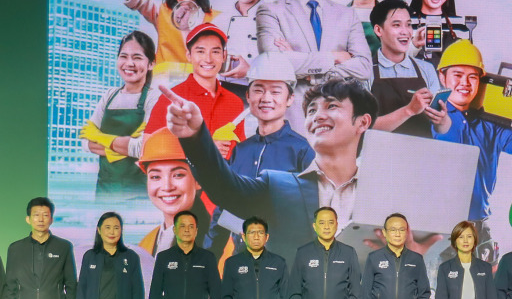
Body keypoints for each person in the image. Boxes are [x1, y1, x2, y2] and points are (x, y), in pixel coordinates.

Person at [170, 76, 376, 256]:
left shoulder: (378, 193)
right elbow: (226, 190)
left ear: (362, 122)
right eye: (312, 110)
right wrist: (195, 137)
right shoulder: (278, 186)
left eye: (332, 106)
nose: (317, 116)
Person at [426, 37, 512, 232]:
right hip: (440, 226)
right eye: (457, 75)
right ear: (442, 76)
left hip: (480, 225)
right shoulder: (432, 115)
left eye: (472, 77)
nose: (465, 83)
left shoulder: (490, 125)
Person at [143, 23, 245, 155]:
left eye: (215, 51)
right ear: (189, 55)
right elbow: (147, 148)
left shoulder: (235, 103)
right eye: (200, 51)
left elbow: (242, 154)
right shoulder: (170, 100)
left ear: (224, 56)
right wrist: (202, 148)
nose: (208, 59)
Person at [78, 30, 157, 199]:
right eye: (123, 56)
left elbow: (143, 148)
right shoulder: (109, 95)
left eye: (137, 57)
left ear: (151, 63)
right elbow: (85, 141)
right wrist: (127, 145)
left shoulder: (154, 98)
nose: (129, 63)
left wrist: (99, 137)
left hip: (139, 194)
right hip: (104, 191)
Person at [227, 53, 315, 192]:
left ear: (290, 99)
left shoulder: (303, 151)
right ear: (248, 96)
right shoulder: (239, 151)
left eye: (275, 92)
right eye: (258, 90)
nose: (266, 99)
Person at [135, 129, 228, 258]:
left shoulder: (221, 242)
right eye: (155, 177)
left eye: (178, 175)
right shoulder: (146, 243)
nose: (167, 187)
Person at [368, 0, 441, 137]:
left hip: (422, 150)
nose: (406, 31)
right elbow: (361, 126)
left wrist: (442, 120)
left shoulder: (426, 69)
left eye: (408, 25)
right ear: (378, 30)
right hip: (380, 150)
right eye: (397, 25)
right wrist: (409, 110)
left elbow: (441, 129)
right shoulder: (365, 72)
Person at [407, 0, 475, 68]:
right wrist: (414, 45)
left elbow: (467, 64)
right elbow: (395, 62)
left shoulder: (462, 25)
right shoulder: (406, 22)